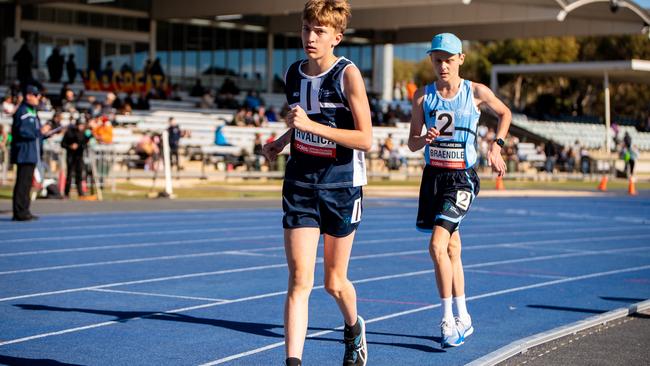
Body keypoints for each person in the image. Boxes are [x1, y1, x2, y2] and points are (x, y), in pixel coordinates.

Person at [262, 1, 371, 365]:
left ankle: (353, 327)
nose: (311, 37)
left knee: (334, 283)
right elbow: (299, 123)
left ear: (336, 38)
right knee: (299, 280)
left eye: (320, 31)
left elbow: (365, 138)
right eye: (307, 28)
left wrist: (312, 127)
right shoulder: (293, 73)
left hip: (341, 186)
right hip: (300, 184)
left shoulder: (348, 75)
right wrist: (281, 142)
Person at [407, 32, 511, 348]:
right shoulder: (422, 97)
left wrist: (497, 147)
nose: (443, 66)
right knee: (452, 249)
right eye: (437, 60)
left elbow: (505, 113)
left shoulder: (476, 92)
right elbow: (412, 142)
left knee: (437, 247)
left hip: (462, 179)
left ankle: (447, 318)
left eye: (449, 60)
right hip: (434, 179)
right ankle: (464, 314)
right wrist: (423, 140)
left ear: (460, 60)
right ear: (432, 61)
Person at [10, 85, 42, 221]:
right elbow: (22, 131)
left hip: (32, 152)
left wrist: (44, 133)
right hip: (24, 152)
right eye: (35, 96)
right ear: (28, 96)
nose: (38, 99)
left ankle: (25, 209)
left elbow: (36, 133)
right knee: (22, 183)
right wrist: (38, 133)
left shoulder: (33, 111)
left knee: (27, 183)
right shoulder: (23, 111)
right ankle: (19, 211)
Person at [61, 119, 89, 198]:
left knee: (79, 175)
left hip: (79, 156)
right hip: (70, 156)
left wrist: (81, 145)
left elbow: (85, 144)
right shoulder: (69, 132)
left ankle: (80, 193)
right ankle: (66, 193)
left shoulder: (84, 134)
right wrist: (70, 146)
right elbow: (63, 144)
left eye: (82, 125)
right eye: (80, 125)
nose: (81, 127)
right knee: (69, 175)